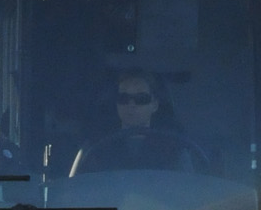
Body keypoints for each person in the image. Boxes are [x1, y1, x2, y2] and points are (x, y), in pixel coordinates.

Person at [70, 70, 210, 175]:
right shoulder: (94, 147)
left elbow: (187, 194)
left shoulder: (175, 149)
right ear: (116, 103)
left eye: (141, 98)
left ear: (155, 105)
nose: (131, 105)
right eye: (124, 98)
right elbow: (76, 193)